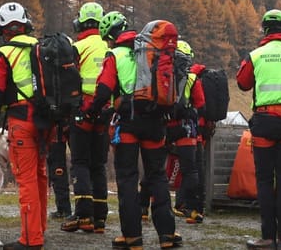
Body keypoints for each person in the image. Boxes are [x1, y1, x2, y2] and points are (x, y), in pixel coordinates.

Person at [89, 18, 183, 250]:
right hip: (155, 122)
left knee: (128, 179)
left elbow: (103, 90)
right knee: (157, 176)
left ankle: (132, 237)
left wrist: (91, 111)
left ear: (111, 39)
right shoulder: (153, 51)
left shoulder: (116, 55)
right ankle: (167, 235)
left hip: (129, 122)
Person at [0, 1, 48, 250]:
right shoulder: (41, 48)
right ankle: (39, 229)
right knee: (41, 176)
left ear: (1, 28)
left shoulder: (3, 55)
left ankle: (31, 240)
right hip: (46, 122)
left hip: (22, 121)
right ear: (25, 25)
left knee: (27, 179)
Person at [236, 8, 281, 250]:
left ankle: (267, 238)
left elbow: (242, 84)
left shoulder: (255, 55)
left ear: (265, 29)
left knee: (265, 180)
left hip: (264, 122)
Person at [62, 2, 110, 234]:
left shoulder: (76, 47)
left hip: (81, 111)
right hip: (104, 111)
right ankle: (100, 218)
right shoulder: (109, 47)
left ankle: (83, 215)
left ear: (79, 22)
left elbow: (67, 81)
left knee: (80, 162)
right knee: (98, 164)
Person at [170, 39, 207, 223]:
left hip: (165, 126)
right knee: (191, 170)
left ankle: (145, 207)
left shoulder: (162, 74)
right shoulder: (193, 78)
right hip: (186, 128)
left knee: (155, 167)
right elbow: (200, 104)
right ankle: (187, 206)